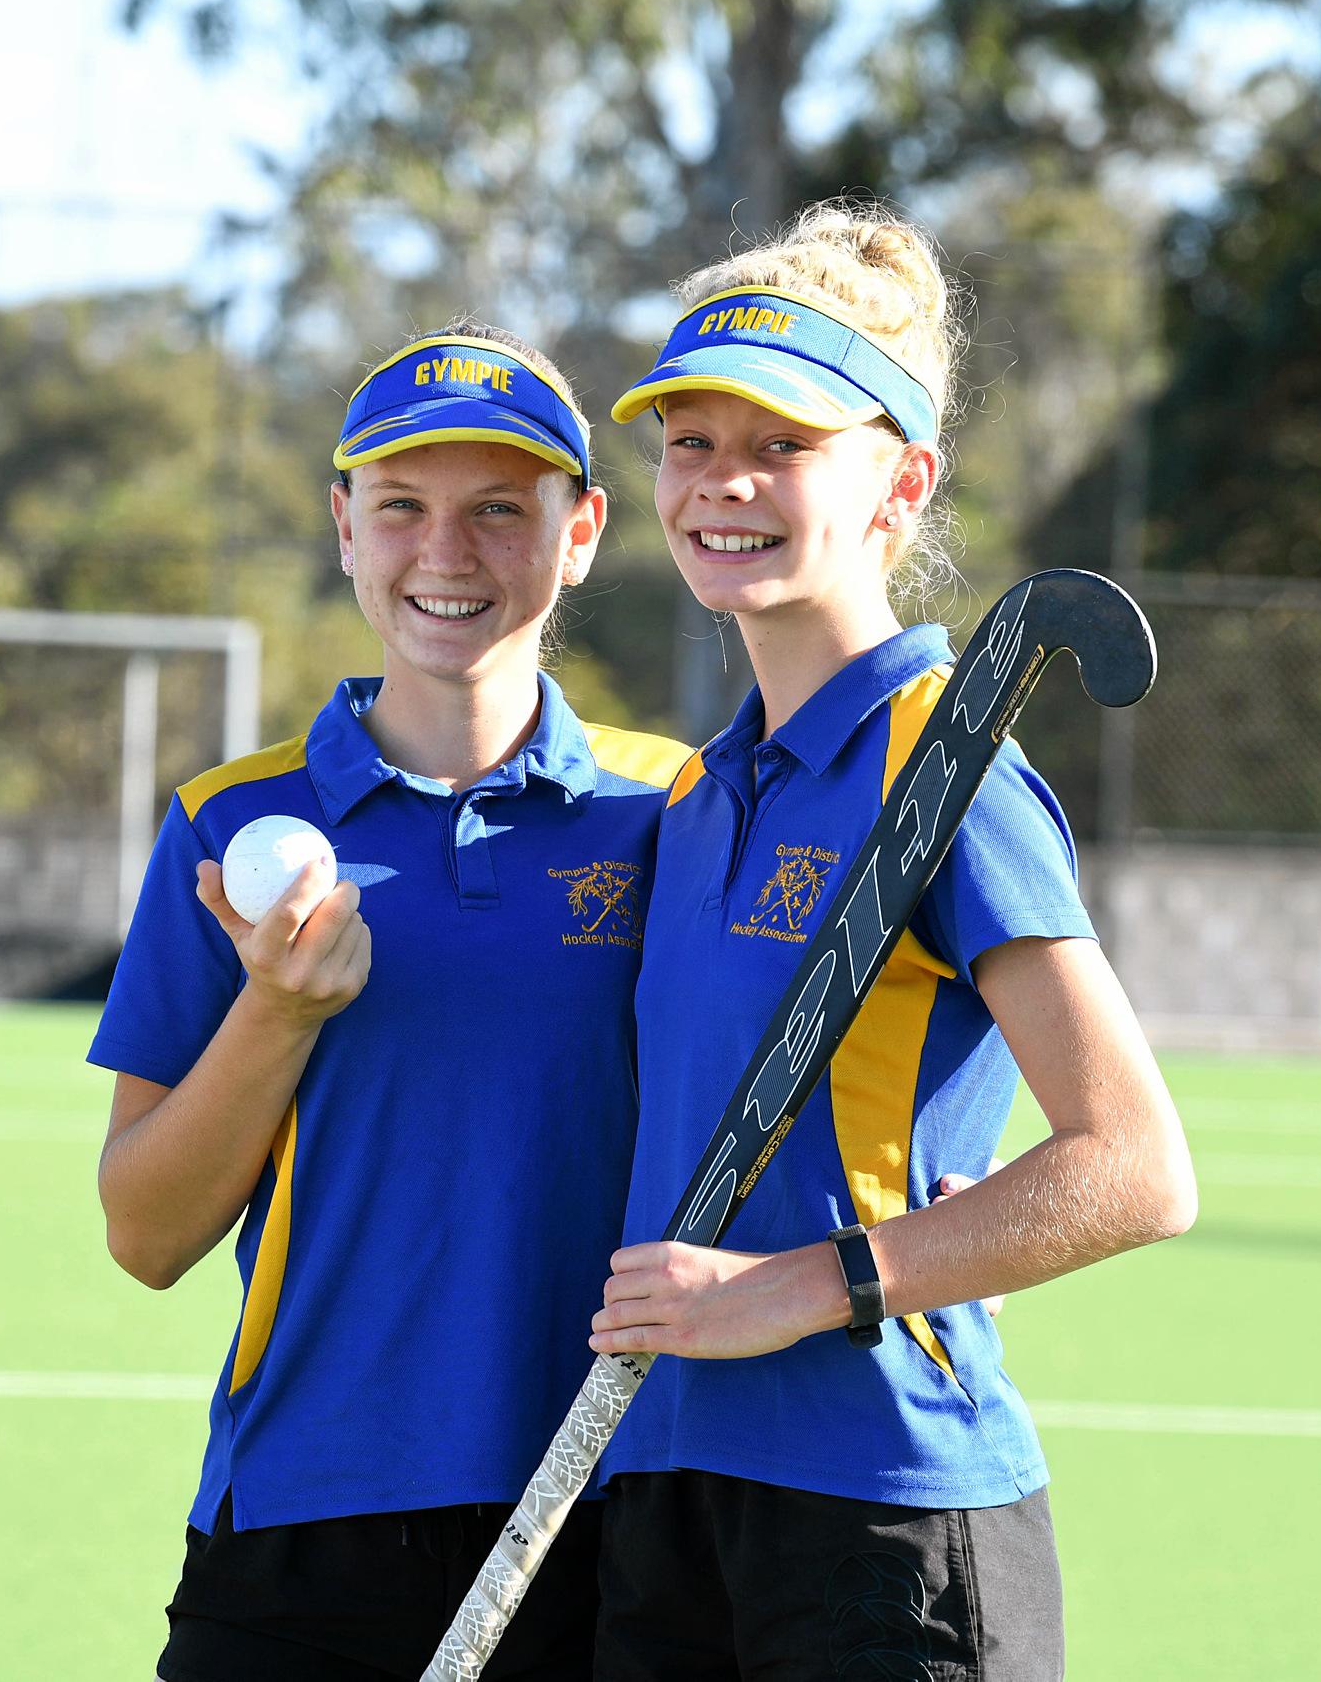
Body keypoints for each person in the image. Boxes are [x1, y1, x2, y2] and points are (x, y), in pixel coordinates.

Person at [583, 201, 1199, 1680]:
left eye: (781, 446)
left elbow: (1133, 1167)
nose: (722, 483)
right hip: (660, 1486)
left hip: (881, 1516)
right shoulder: (696, 790)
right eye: (690, 441)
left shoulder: (947, 771)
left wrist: (797, 1283)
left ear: (898, 483)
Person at [90, 322, 694, 1680]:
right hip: (303, 1521)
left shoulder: (675, 811)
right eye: (403, 507)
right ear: (342, 526)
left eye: (499, 510)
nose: (447, 553)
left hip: (604, 1520)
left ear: (581, 529)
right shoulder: (223, 824)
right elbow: (144, 1231)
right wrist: (276, 1012)